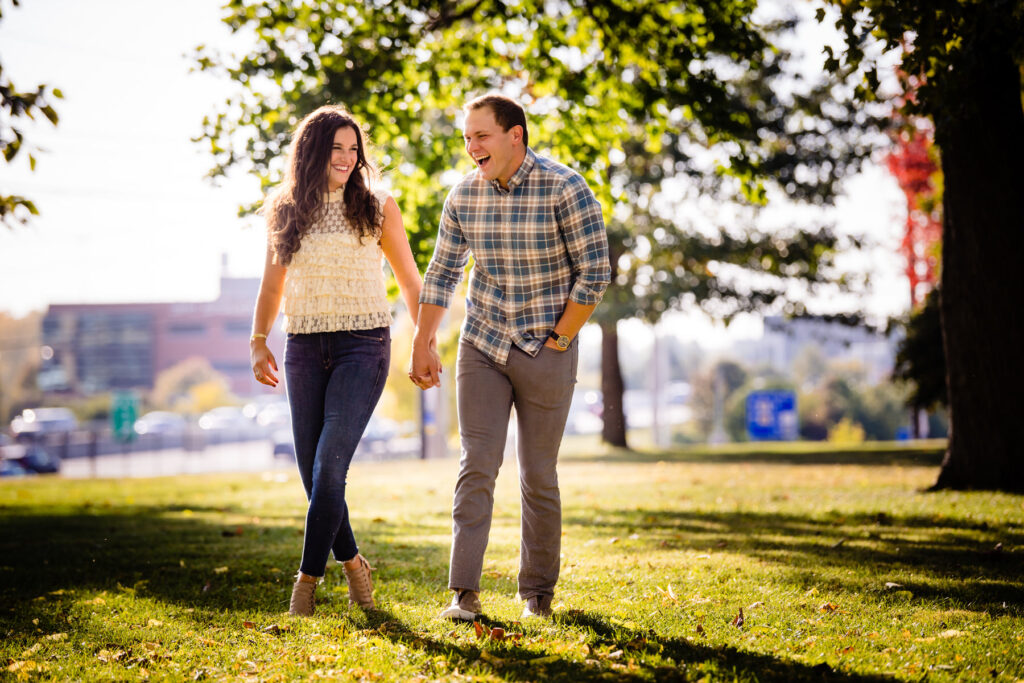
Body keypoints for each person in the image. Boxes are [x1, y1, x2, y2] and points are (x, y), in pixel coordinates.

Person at [409, 94, 610, 621]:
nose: (472, 147)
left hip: (548, 346)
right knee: (476, 463)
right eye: (467, 138)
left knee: (537, 474)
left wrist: (561, 340)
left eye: (482, 136)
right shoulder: (463, 198)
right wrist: (423, 339)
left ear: (515, 135)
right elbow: (442, 273)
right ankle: (464, 593)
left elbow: (596, 271)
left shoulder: (565, 187)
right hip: (483, 343)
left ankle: (536, 594)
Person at [249, 105, 424, 616]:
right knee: (313, 473)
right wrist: (258, 339)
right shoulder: (284, 209)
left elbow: (411, 282)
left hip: (363, 344)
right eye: (337, 148)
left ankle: (305, 585)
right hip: (303, 346)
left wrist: (423, 340)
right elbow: (271, 284)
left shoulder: (376, 205)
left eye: (354, 149)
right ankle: (353, 564)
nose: (348, 158)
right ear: (312, 152)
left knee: (329, 465)